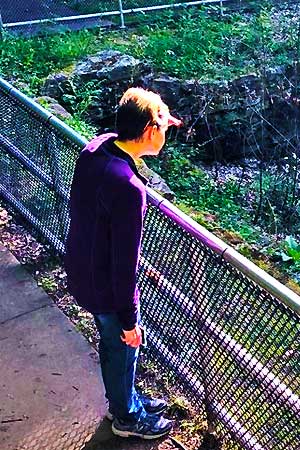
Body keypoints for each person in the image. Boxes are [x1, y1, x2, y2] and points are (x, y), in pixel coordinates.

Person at [64, 87, 182, 439]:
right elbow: (124, 265)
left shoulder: (98, 148)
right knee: (122, 345)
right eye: (164, 126)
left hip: (81, 266)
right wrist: (130, 320)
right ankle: (126, 418)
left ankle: (126, 398)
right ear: (148, 130)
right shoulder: (129, 188)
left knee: (112, 342)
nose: (167, 132)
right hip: (105, 285)